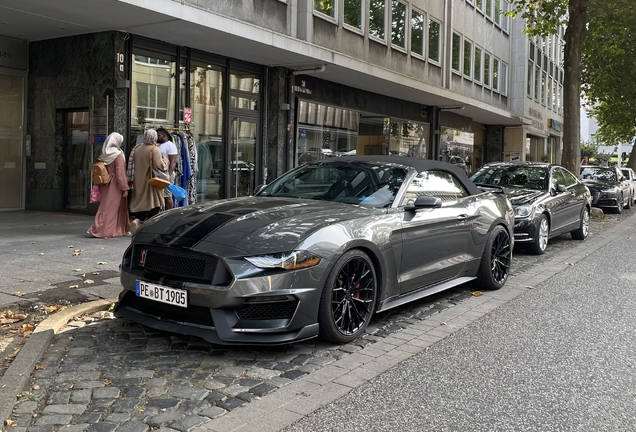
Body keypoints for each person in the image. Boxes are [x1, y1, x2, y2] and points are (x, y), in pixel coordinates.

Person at [87, 132, 130, 238]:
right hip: (115, 185)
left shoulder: (105, 153)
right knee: (112, 208)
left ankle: (103, 228)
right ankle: (105, 231)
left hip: (105, 184)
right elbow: (120, 173)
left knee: (105, 207)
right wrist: (124, 187)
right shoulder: (118, 154)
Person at [128, 129, 168, 234]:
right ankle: (150, 228)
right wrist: (165, 162)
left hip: (139, 181)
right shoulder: (154, 149)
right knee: (154, 204)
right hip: (151, 182)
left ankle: (136, 221)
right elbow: (160, 165)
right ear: (154, 138)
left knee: (142, 205)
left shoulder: (137, 149)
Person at [156, 127, 178, 209]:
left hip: (166, 174)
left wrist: (168, 175)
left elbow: (173, 161)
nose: (156, 137)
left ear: (164, 135)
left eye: (158, 135)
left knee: (167, 195)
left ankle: (168, 214)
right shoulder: (159, 145)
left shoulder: (170, 145)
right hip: (160, 173)